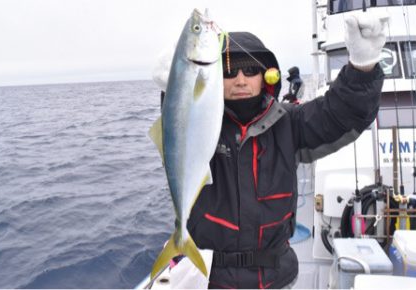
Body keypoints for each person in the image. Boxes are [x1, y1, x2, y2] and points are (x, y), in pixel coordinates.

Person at [154, 12, 388, 289]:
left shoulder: (290, 123)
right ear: (215, 74)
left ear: (265, 75)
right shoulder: (204, 125)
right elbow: (181, 123)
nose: (240, 80)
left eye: (250, 70)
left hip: (277, 278)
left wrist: (362, 69)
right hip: (210, 278)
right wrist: (175, 86)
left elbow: (339, 114)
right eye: (229, 71)